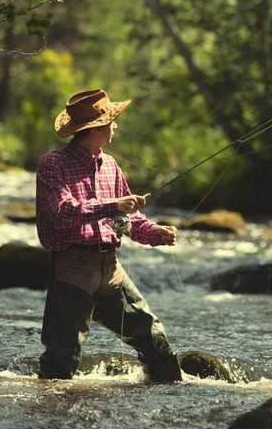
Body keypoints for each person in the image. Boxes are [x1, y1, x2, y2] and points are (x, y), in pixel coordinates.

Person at [35, 88, 182, 382]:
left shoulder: (110, 165)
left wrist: (157, 234)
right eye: (112, 121)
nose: (115, 125)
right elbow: (61, 211)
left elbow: (127, 219)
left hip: (112, 271)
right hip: (72, 270)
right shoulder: (53, 164)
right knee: (60, 363)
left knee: (155, 341)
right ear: (96, 129)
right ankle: (50, 416)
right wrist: (112, 205)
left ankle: (172, 395)